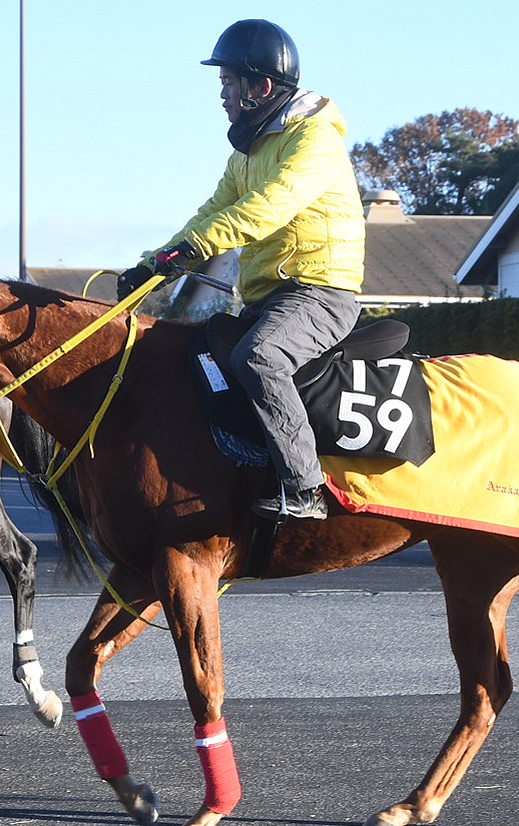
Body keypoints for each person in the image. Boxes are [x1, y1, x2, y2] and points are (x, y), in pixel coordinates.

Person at [117, 20, 365, 520]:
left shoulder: (315, 139)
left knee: (259, 358)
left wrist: (184, 254)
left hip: (319, 293)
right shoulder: (248, 151)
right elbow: (211, 212)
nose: (223, 95)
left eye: (229, 84)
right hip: (267, 298)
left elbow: (266, 209)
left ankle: (305, 489)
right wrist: (153, 263)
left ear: (261, 88)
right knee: (193, 349)